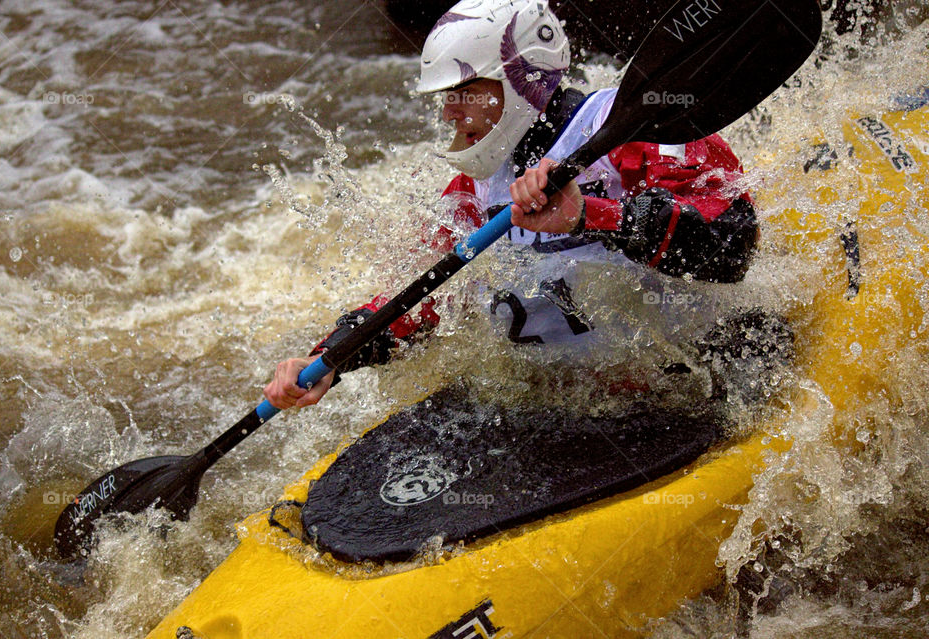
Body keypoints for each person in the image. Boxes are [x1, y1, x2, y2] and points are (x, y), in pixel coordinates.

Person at [264, 0, 759, 410]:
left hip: (696, 372)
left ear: (519, 81)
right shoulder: (470, 192)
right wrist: (330, 360)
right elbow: (425, 297)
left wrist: (591, 215)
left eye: (464, 92)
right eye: (445, 97)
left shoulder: (633, 130)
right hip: (574, 401)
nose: (448, 112)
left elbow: (734, 245)